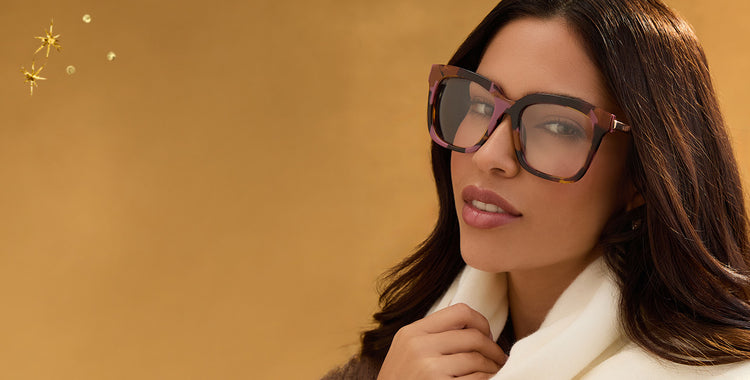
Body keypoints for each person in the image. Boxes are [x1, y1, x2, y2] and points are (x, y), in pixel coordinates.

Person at [324, 0, 750, 378]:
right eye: (478, 105)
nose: (490, 155)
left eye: (556, 125)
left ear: (642, 176)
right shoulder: (397, 364)